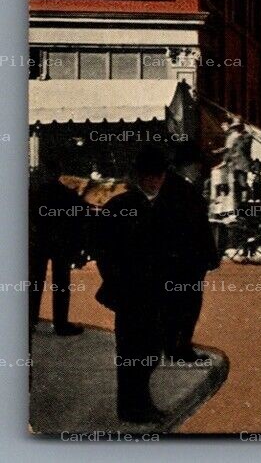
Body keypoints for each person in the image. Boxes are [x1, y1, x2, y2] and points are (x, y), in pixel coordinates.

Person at [95, 146, 174, 423]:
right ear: (143, 177)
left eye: (160, 175)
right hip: (135, 293)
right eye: (153, 176)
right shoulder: (129, 206)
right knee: (137, 353)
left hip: (142, 293)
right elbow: (106, 252)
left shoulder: (132, 205)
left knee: (142, 352)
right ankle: (133, 408)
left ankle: (138, 405)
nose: (157, 181)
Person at [156, 160, 222, 363]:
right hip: (190, 258)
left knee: (171, 304)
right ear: (189, 165)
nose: (199, 171)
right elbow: (200, 228)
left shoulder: (166, 188)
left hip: (171, 258)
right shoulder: (185, 190)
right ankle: (181, 347)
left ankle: (169, 345)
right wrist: (211, 255)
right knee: (188, 305)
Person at [29, 159, 86, 336]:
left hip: (39, 241)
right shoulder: (66, 194)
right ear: (58, 174)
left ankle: (30, 320)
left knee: (34, 282)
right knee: (61, 283)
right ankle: (60, 323)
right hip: (61, 243)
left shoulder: (35, 194)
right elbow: (80, 215)